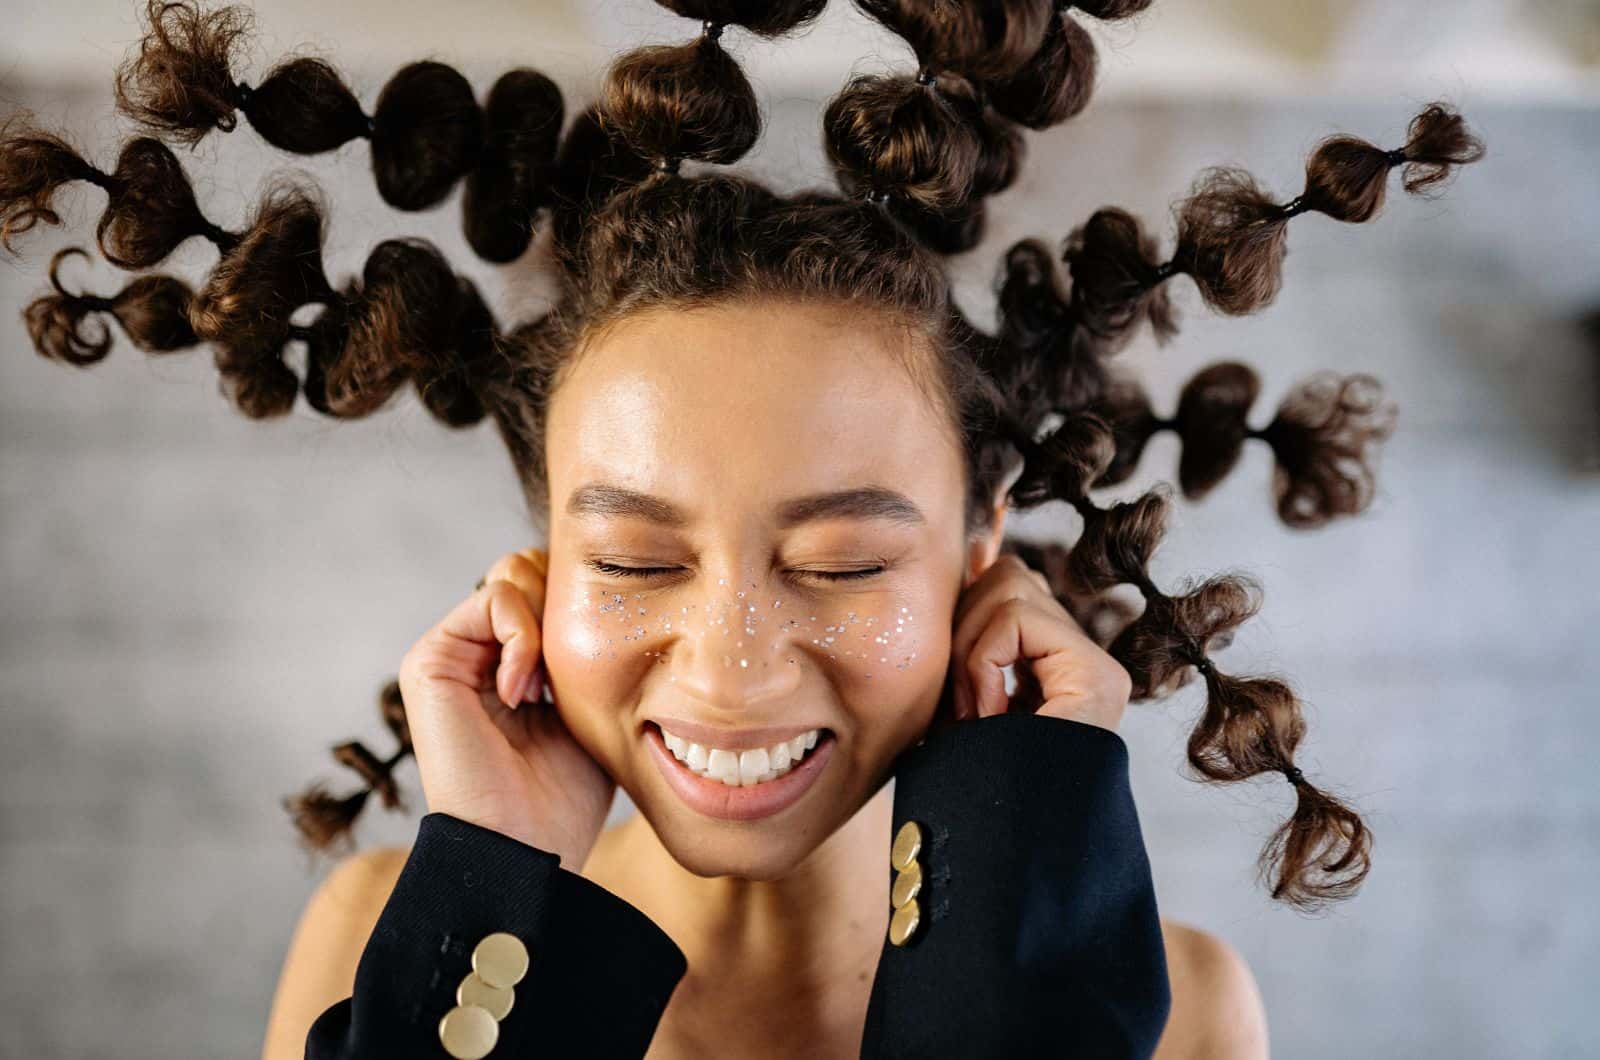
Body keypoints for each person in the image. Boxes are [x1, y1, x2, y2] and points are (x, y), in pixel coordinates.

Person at [0, 0, 1484, 1056]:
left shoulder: (1184, 1011)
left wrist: (1025, 877)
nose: (725, 666)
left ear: (987, 557)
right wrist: (496, 879)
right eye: (635, 561)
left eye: (841, 564)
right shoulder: (388, 942)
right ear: (533, 576)